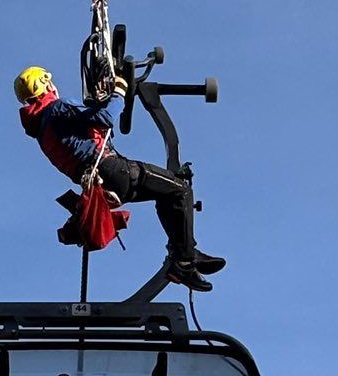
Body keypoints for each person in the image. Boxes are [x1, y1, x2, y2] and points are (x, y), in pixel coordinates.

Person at [13, 66, 224, 291]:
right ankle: (184, 260)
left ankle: (183, 255)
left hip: (104, 183)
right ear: (45, 84)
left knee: (166, 194)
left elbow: (88, 123)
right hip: (113, 170)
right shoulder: (58, 108)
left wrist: (100, 102)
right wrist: (119, 93)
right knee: (180, 190)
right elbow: (105, 118)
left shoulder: (43, 130)